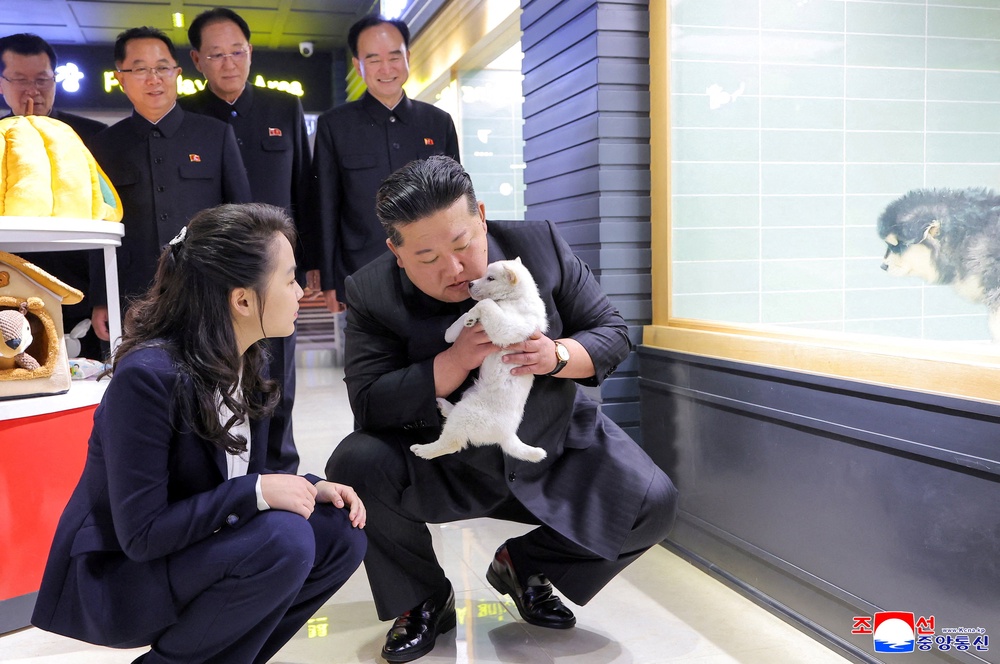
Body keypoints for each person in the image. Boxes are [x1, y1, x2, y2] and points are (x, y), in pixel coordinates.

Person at [325, 156, 678, 663]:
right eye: (426, 257)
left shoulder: (540, 245)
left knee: (653, 503)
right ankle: (423, 597)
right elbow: (369, 402)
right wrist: (450, 362)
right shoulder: (371, 292)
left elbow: (610, 330)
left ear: (482, 217)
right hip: (448, 455)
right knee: (354, 463)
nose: (454, 269)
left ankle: (524, 564)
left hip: (548, 440)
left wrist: (555, 356)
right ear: (396, 253)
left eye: (463, 244)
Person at [31, 203, 367, 663]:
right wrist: (258, 491)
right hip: (130, 574)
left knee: (339, 533)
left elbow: (267, 475)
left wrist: (313, 487)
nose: (299, 292)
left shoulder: (253, 357)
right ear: (243, 300)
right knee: (285, 541)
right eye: (289, 280)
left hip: (201, 547)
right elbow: (143, 534)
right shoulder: (147, 377)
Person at [181, 7, 312, 473]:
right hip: (218, 274)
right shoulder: (188, 116)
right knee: (220, 375)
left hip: (277, 271)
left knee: (279, 375)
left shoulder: (284, 109)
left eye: (237, 51)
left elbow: (304, 188)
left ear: (250, 52)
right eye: (216, 54)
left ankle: (279, 470)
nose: (229, 63)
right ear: (198, 59)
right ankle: (229, 474)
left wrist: (307, 265)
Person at [88, 26, 251, 343]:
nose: (154, 79)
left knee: (208, 381)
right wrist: (101, 296)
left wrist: (242, 285)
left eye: (162, 67)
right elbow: (98, 226)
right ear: (120, 78)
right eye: (139, 69)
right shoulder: (103, 146)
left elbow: (240, 218)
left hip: (207, 288)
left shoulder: (214, 135)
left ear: (177, 72)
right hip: (132, 293)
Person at [307, 14, 459, 314]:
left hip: (434, 269)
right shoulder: (334, 126)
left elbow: (457, 201)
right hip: (361, 270)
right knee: (371, 359)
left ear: (408, 57)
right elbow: (325, 205)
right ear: (357, 65)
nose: (386, 68)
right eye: (373, 59)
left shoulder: (438, 122)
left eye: (394, 56)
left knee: (437, 356)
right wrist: (329, 278)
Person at [1, 33, 107, 359]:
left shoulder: (93, 136)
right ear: (2, 84)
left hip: (80, 294)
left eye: (42, 79)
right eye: (19, 79)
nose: (32, 89)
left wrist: (103, 296)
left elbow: (110, 215)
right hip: (8, 293)